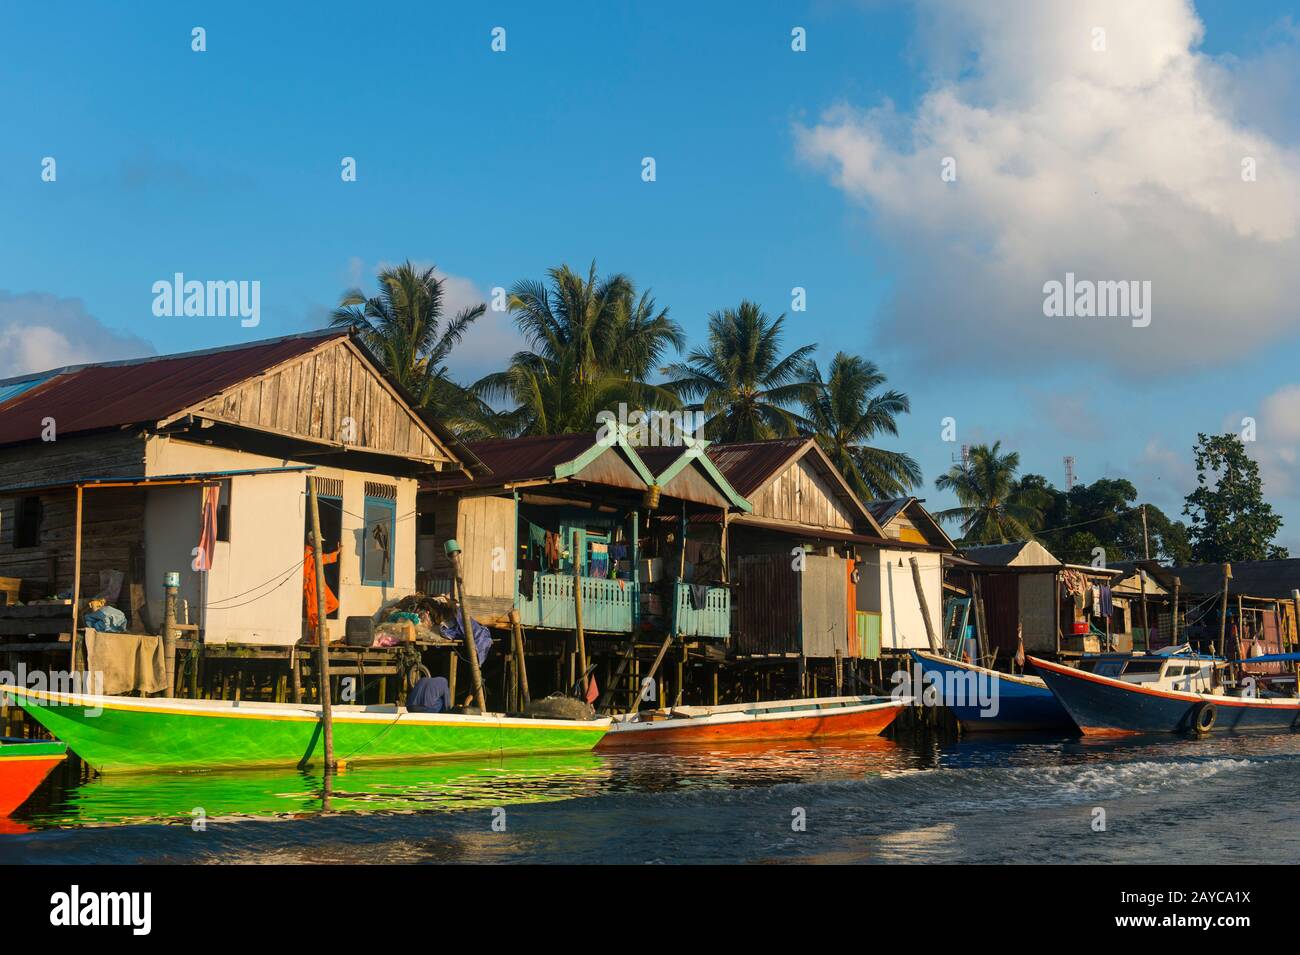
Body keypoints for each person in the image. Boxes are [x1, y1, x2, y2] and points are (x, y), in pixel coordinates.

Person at [303, 541, 340, 639]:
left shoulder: (314, 553)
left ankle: (316, 624)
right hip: (312, 586)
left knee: (334, 603)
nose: (320, 543)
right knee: (313, 612)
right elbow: (306, 572)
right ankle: (312, 638)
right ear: (312, 541)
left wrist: (337, 552)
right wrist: (306, 588)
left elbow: (324, 558)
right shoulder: (307, 553)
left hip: (320, 584)